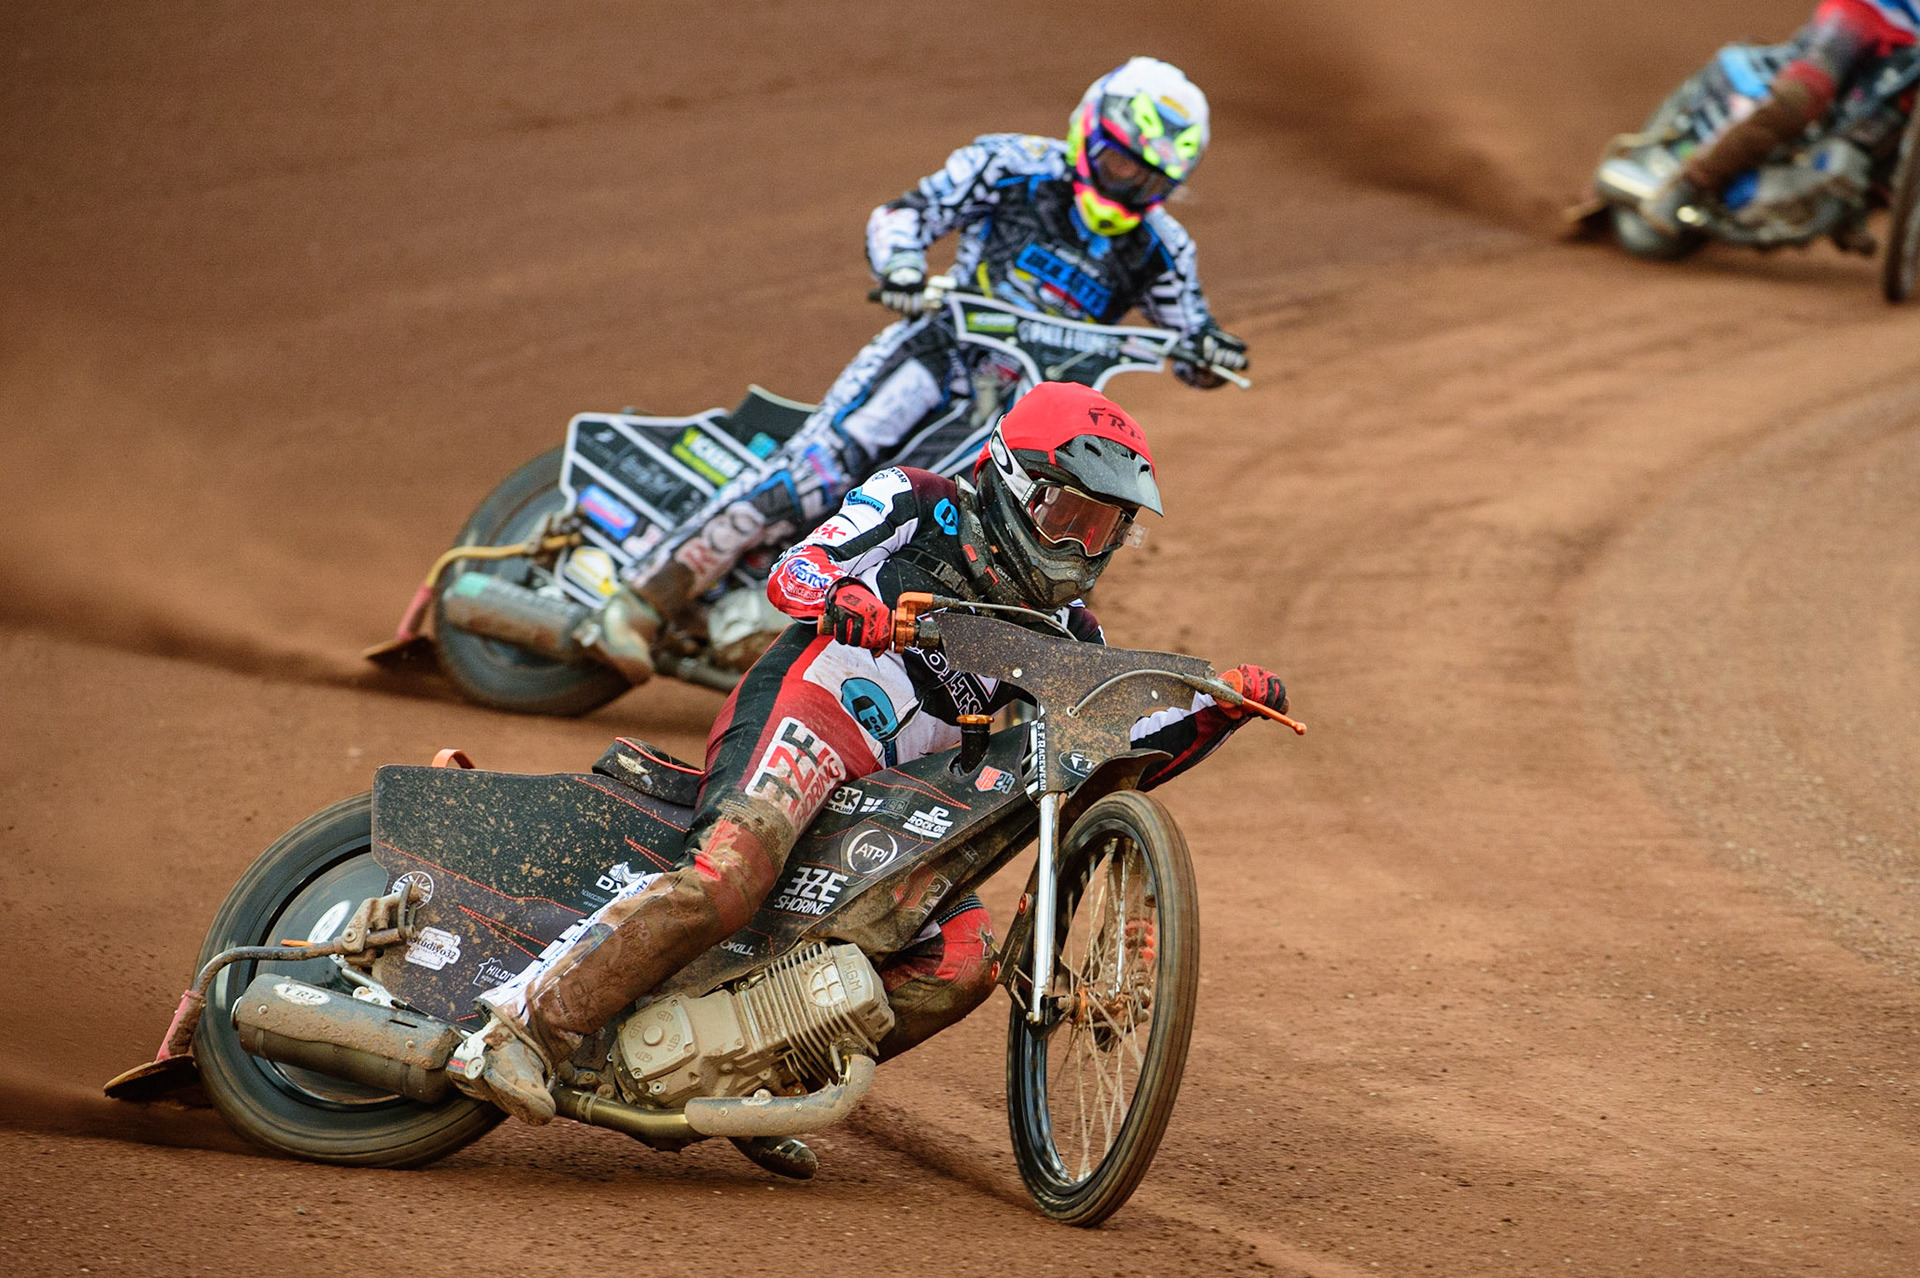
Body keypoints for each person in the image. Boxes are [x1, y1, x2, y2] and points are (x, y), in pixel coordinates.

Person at [458, 382, 1288, 1136]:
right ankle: (521, 1030)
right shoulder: (916, 500)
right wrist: (845, 595)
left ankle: (759, 1085)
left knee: (961, 963)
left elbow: (1102, 758)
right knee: (726, 880)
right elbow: (795, 572)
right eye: (1067, 515)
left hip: (902, 796)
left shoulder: (1071, 634)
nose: (1080, 546)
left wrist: (1215, 708)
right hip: (813, 714)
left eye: (1103, 528)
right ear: (1012, 481)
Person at [585, 56, 1250, 684]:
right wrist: (902, 265)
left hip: (1019, 411)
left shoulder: (1163, 246)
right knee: (820, 467)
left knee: (945, 515)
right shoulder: (1012, 165)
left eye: (1150, 181)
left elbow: (1190, 336)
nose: (1127, 185)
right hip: (936, 352)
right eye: (1119, 163)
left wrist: (1214, 351)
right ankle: (643, 601)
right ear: (1088, 132)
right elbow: (906, 214)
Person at [1643, 0, 1920, 234]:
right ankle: (1686, 186)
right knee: (1804, 93)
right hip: (1868, 12)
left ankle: (1849, 209)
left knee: (1888, 138)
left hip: (1910, 53)